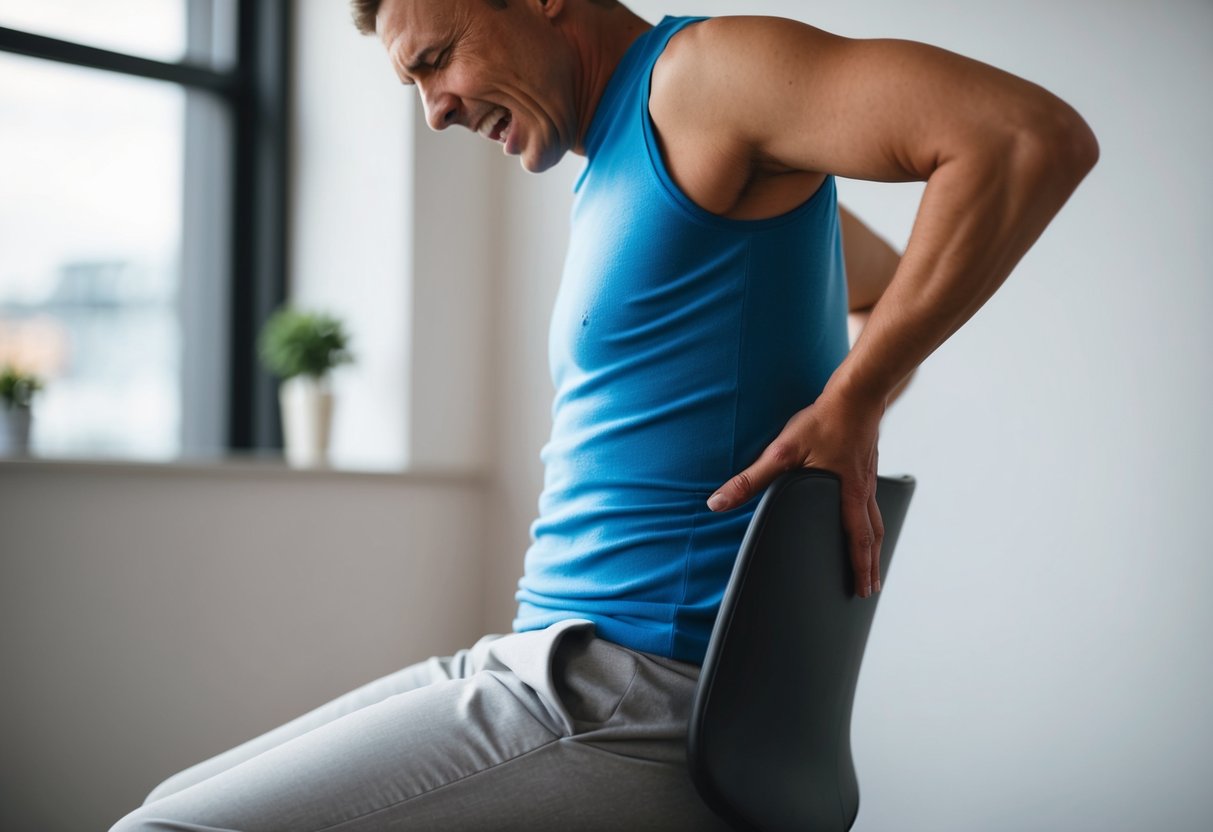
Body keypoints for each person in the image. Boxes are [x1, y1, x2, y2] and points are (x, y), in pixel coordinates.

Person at [111, 1, 1097, 829]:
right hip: (537, 653)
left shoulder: (701, 76)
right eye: (411, 85)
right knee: (168, 801)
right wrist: (836, 397)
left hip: (629, 694)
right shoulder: (630, 165)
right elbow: (865, 281)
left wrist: (858, 395)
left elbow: (1019, 136)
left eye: (438, 60)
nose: (434, 113)